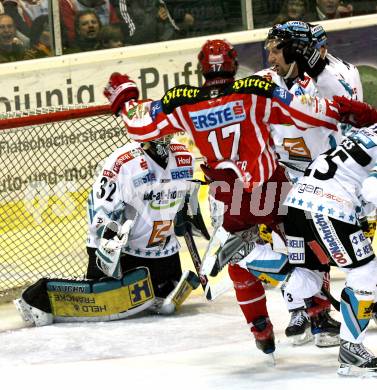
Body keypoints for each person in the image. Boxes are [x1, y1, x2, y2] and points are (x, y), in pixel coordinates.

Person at [102, 39, 344, 356]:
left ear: (202, 67)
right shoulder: (256, 89)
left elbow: (139, 127)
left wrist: (127, 98)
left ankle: (261, 329)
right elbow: (306, 116)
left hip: (229, 195)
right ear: (233, 63)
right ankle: (318, 316)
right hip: (270, 185)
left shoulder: (183, 100)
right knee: (307, 242)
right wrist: (344, 113)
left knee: (239, 265)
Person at [14, 122, 203, 325]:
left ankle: (157, 285)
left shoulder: (185, 157)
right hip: (125, 254)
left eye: (168, 134)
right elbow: (101, 210)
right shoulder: (123, 162)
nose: (165, 140)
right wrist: (109, 242)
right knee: (105, 302)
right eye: (159, 135)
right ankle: (36, 297)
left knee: (164, 300)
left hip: (164, 252)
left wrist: (187, 214)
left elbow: (185, 197)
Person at [257, 20, 357, 347]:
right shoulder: (274, 79)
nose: (270, 56)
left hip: (323, 174)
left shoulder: (334, 80)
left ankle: (319, 311)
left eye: (278, 49)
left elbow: (337, 120)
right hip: (285, 171)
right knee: (293, 245)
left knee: (320, 244)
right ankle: (300, 308)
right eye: (269, 49)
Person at [282, 97, 377, 375]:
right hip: (329, 206)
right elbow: (372, 189)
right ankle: (351, 349)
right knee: (364, 271)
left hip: (299, 202)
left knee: (309, 277)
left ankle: (256, 256)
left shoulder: (366, 131)